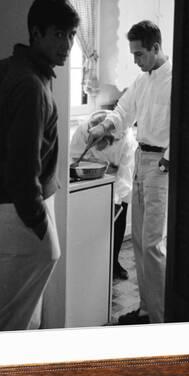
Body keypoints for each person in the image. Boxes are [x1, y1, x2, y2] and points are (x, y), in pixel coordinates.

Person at [0, 0, 80, 331]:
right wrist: (40, 224)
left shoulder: (3, 69)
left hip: (2, 211)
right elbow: (23, 165)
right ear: (36, 33)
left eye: (71, 35)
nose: (67, 44)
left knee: (16, 311)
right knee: (10, 321)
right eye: (58, 34)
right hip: (22, 213)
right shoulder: (31, 86)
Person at [88, 20, 171, 324]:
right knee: (138, 243)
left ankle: (161, 320)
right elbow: (123, 111)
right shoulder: (142, 80)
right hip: (141, 161)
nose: (135, 60)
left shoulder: (176, 78)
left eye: (139, 54)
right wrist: (103, 127)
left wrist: (169, 159)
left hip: (162, 165)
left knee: (153, 245)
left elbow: (186, 123)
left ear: (155, 48)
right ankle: (147, 310)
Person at [70, 110, 138, 280]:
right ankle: (92, 263)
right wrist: (101, 166)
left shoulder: (126, 140)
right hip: (92, 179)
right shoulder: (83, 130)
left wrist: (116, 201)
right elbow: (75, 157)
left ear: (110, 139)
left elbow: (125, 174)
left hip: (120, 180)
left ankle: (114, 262)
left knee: (118, 221)